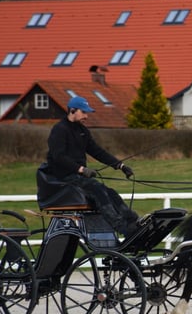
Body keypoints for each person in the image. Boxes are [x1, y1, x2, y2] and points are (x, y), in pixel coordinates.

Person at [44, 95, 139, 237]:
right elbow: (59, 156)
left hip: (79, 176)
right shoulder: (59, 130)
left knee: (111, 192)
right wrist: (80, 169)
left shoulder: (82, 131)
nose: (86, 116)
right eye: (84, 112)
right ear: (72, 111)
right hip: (63, 178)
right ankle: (122, 227)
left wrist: (120, 165)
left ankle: (133, 221)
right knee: (98, 190)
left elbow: (97, 151)